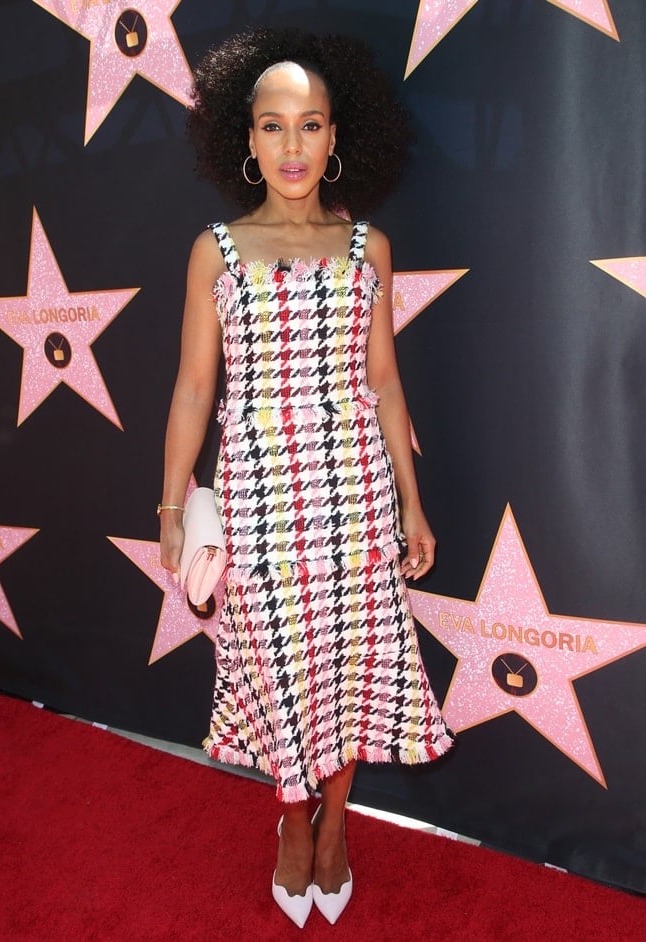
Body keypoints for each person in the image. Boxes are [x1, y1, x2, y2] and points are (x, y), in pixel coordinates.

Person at [159, 27, 454, 928]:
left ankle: (335, 829)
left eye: (311, 125)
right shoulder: (217, 249)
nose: (293, 146)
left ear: (337, 135)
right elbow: (194, 389)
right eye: (273, 126)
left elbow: (386, 382)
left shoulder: (371, 248)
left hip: (354, 493)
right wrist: (172, 506)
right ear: (246, 141)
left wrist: (410, 500)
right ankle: (294, 821)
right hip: (257, 499)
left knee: (349, 668)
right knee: (278, 667)